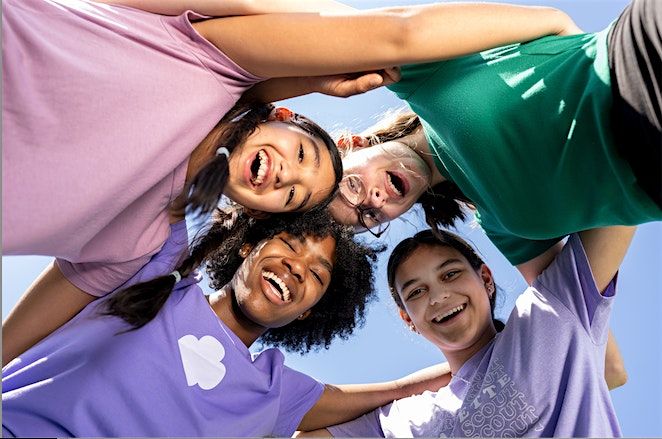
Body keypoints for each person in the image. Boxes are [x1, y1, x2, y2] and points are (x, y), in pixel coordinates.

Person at [2, 0, 580, 365]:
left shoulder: (135, 241)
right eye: (347, 189)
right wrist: (555, 19)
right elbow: (394, 35)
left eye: (297, 196)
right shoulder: (210, 63)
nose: (374, 202)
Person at [2, 207, 455, 437]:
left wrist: (503, 339)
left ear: (309, 311)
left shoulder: (275, 391)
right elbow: (181, 166)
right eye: (290, 243)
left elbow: (398, 392)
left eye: (318, 274)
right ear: (247, 246)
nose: (298, 267)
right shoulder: (158, 273)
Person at [328, 0, 661, 283]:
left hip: (640, 60)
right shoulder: (505, 229)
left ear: (349, 145)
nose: (373, 199)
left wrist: (580, 80)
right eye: (369, 217)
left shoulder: (420, 76)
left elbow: (553, 23)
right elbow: (574, 309)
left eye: (353, 185)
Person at [298, 224, 636, 437]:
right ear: (408, 320)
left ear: (485, 279)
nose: (438, 296)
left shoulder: (549, 312)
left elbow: (624, 196)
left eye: (450, 274)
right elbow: (293, 421)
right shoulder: (402, 419)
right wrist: (406, 388)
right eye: (416, 292)